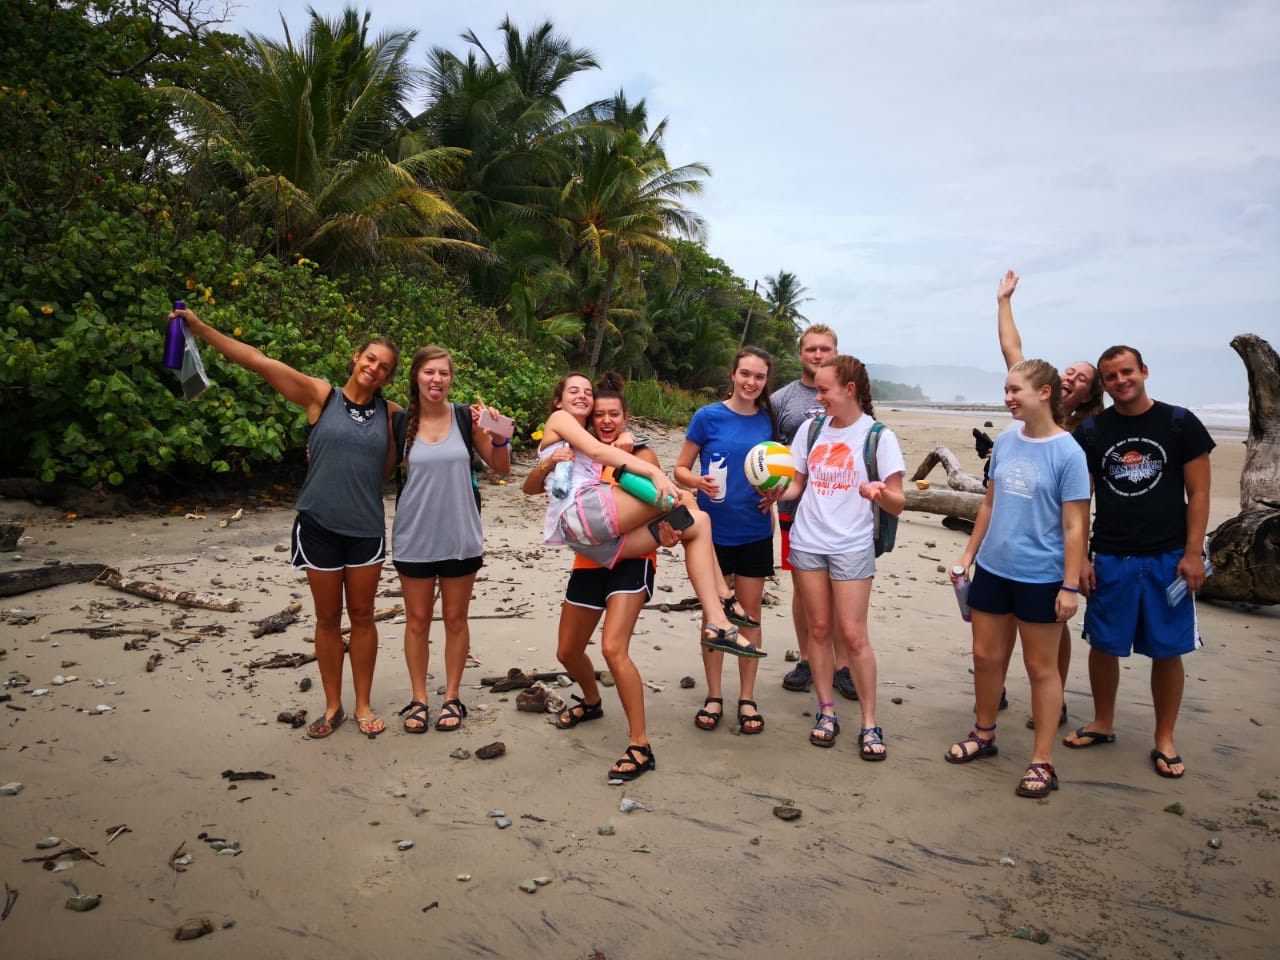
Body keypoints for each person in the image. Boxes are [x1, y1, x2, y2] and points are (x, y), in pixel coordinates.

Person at [170, 306, 399, 739]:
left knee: (364, 616)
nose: (375, 369)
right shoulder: (320, 395)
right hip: (319, 525)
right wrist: (199, 327)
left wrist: (489, 429)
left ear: (388, 377)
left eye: (384, 367)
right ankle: (333, 706)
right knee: (328, 618)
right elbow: (257, 360)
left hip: (366, 528)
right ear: (355, 358)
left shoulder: (391, 413)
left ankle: (363, 704)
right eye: (370, 359)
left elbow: (437, 423)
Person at [1062, 346, 1214, 779]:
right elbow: (1078, 500)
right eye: (1110, 377)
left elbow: (1199, 494)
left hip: (1168, 559)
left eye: (1127, 372)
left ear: (1144, 371)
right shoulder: (1092, 431)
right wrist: (1084, 559)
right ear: (1104, 386)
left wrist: (1192, 553)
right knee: (1104, 644)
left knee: (1168, 650)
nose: (1120, 381)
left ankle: (1164, 738)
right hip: (1111, 556)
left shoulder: (1179, 423)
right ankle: (1103, 722)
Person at [944, 360, 1090, 799]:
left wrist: (1068, 586)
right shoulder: (1006, 442)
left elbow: (1075, 527)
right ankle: (983, 733)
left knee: (1040, 668)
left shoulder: (1068, 453)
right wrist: (968, 555)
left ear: (1045, 393)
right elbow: (989, 504)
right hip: (993, 568)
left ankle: (1042, 761)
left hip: (1042, 577)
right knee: (986, 658)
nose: (1007, 397)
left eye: (1014, 390)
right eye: (1005, 390)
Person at [536, 373, 757, 659]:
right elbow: (594, 450)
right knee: (685, 497)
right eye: (575, 392)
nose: (582, 397)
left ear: (624, 417)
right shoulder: (562, 421)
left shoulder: (587, 444)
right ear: (559, 402)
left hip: (599, 544)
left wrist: (668, 535)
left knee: (699, 522)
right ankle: (723, 599)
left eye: (587, 392)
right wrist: (653, 472)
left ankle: (719, 615)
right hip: (586, 519)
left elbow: (594, 448)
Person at [524, 375, 675, 780]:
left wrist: (670, 530)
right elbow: (531, 488)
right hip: (590, 561)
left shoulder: (639, 451)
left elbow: (659, 506)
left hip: (631, 558)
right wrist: (547, 462)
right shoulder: (577, 450)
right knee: (567, 651)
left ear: (626, 417)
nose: (605, 419)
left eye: (614, 414)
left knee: (612, 648)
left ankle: (640, 744)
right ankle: (592, 702)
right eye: (598, 413)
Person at [776, 355, 905, 758]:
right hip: (808, 540)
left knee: (852, 635)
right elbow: (798, 483)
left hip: (852, 545)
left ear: (849, 390)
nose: (818, 397)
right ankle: (826, 710)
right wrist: (774, 494)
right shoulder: (812, 430)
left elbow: (900, 502)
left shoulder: (878, 437)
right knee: (817, 630)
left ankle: (869, 722)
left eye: (824, 389)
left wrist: (881, 494)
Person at [996, 269, 1106, 728]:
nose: (1070, 378)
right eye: (1068, 371)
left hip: (1061, 538)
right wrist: (1004, 301)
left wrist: (1079, 560)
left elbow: (1082, 507)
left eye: (1080, 377)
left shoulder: (1089, 432)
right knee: (1003, 627)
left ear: (1088, 392)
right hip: (1018, 539)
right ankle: (1002, 689)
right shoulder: (1036, 416)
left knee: (1051, 630)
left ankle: (1053, 699)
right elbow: (1013, 353)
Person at [391, 346, 511, 734]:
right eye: (429, 372)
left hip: (460, 535)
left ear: (451, 378)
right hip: (413, 537)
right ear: (416, 377)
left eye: (443, 373)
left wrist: (499, 434)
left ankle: (452, 696)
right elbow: (373, 468)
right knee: (418, 622)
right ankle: (418, 698)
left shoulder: (465, 418)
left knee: (456, 621)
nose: (436, 380)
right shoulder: (399, 423)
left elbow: (501, 467)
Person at [675, 347, 777, 735]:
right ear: (733, 374)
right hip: (711, 535)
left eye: (760, 377)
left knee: (750, 615)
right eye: (745, 374)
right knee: (714, 616)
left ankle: (747, 697)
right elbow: (680, 468)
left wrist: (776, 491)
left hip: (753, 530)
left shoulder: (769, 421)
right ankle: (714, 694)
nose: (751, 382)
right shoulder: (707, 417)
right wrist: (696, 481)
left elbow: (778, 468)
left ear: (766, 381)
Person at [770, 325, 856, 701]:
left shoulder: (849, 395)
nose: (818, 355)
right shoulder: (781, 400)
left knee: (842, 591)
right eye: (811, 349)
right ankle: (806, 658)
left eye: (826, 349)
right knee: (804, 591)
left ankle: (842, 665)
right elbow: (767, 452)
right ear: (800, 352)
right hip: (795, 508)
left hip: (844, 514)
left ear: (836, 351)